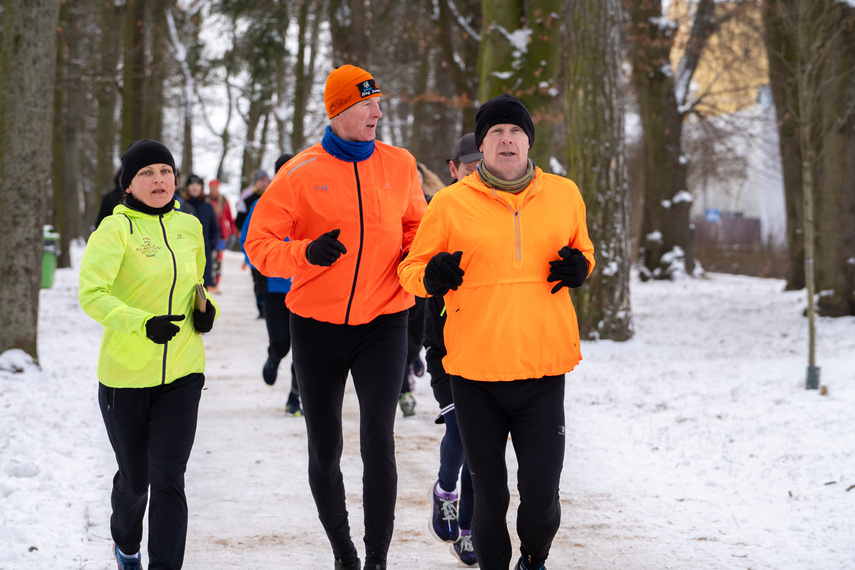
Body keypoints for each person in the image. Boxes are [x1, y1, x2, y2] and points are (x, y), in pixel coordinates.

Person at [398, 95, 595, 570]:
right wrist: (432, 276)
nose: (506, 140)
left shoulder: (565, 194)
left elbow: (583, 251)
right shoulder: (448, 203)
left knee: (542, 496)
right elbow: (411, 269)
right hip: (475, 372)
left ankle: (534, 556)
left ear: (529, 141)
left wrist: (580, 268)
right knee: (488, 497)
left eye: (515, 132)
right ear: (481, 146)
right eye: (495, 133)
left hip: (542, 367)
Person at [245, 64, 426, 570]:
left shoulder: (400, 164)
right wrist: (304, 254)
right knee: (325, 448)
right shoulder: (300, 173)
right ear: (339, 110)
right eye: (367, 105)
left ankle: (376, 560)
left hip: (385, 320)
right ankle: (344, 553)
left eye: (378, 103)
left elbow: (418, 230)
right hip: (316, 325)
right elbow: (257, 245)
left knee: (378, 443)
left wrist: (416, 266)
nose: (378, 112)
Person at [78, 139, 218, 570]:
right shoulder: (114, 231)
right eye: (146, 173)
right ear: (128, 185)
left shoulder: (189, 226)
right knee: (137, 481)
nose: (159, 180)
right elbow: (91, 295)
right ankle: (125, 541)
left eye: (165, 171)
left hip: (183, 370)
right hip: (125, 376)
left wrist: (206, 310)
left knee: (169, 478)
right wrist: (140, 322)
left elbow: (197, 284)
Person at [422, 132, 484, 568]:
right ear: (453, 169)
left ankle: (468, 530)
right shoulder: (441, 213)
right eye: (468, 168)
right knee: (461, 433)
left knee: (482, 447)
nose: (476, 176)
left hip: (490, 347)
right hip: (446, 347)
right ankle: (446, 489)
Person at [240, 153, 302, 417]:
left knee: (303, 348)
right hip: (275, 286)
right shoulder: (264, 203)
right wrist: (258, 270)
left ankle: (295, 398)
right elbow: (248, 240)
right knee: (282, 341)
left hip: (305, 285)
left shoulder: (312, 200)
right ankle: (275, 356)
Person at [236, 169, 271, 317]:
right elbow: (239, 221)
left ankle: (267, 306)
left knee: (267, 278)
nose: (264, 183)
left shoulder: (273, 197)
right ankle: (260, 307)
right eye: (261, 180)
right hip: (252, 241)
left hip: (268, 242)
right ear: (255, 182)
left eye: (266, 180)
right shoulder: (248, 200)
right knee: (257, 278)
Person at [183, 174, 220, 292]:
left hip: (205, 252)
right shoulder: (181, 205)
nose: (195, 187)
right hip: (185, 251)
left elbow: (215, 228)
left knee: (203, 291)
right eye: (192, 184)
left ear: (201, 188)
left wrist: (213, 244)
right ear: (188, 187)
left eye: (197, 184)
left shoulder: (208, 207)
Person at [208, 179, 238, 288]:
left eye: (215, 187)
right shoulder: (206, 200)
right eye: (212, 187)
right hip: (209, 234)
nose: (214, 190)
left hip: (221, 235)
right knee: (209, 259)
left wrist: (233, 232)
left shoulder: (224, 201)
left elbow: (230, 217)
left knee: (218, 260)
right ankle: (209, 281)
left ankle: (216, 283)